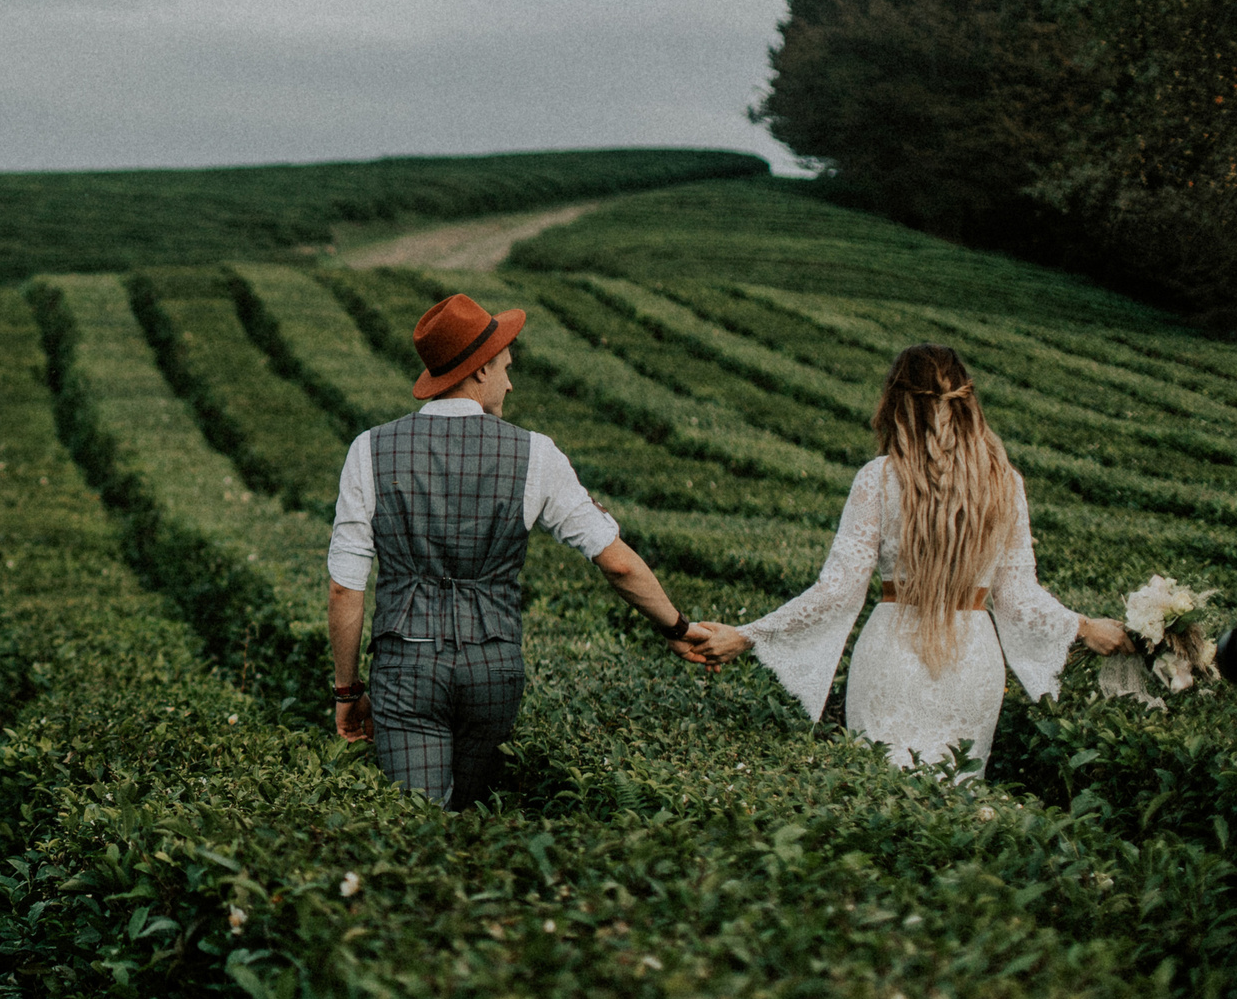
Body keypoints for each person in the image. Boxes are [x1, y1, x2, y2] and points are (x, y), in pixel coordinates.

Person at [687, 344, 1131, 776]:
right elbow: (1019, 597)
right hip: (973, 661)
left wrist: (748, 635)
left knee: (881, 790)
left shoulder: (878, 479)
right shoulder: (1004, 483)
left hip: (892, 655)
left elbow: (837, 591)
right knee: (955, 799)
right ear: (967, 401)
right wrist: (1085, 626)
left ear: (895, 403)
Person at [328, 292, 700, 808]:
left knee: (416, 827)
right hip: (493, 667)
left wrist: (347, 693)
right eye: (504, 367)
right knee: (475, 816)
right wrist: (677, 628)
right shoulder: (536, 453)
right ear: (478, 371)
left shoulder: (369, 449)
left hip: (406, 666)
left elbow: (345, 588)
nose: (509, 380)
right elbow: (615, 562)